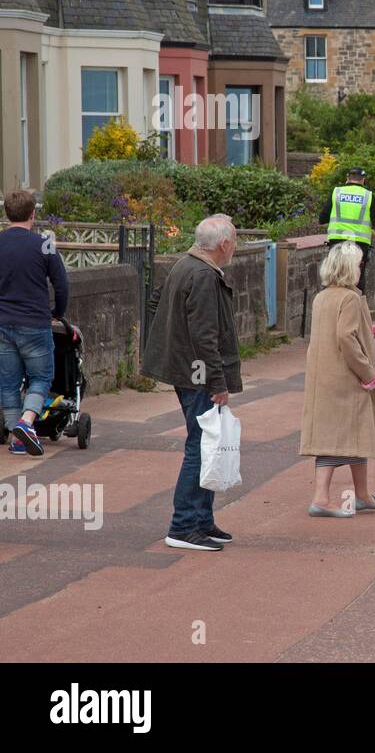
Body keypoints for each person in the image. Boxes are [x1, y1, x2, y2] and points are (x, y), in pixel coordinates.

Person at [142, 215, 241, 551]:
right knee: (200, 445)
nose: (236, 246)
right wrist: (218, 382)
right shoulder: (201, 274)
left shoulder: (185, 265)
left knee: (206, 442)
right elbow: (204, 334)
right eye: (235, 240)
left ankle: (200, 520)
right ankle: (183, 525)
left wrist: (171, 343)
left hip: (187, 367)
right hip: (197, 372)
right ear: (224, 244)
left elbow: (156, 303)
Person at [299, 242, 375, 517]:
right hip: (346, 376)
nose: (362, 269)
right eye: (359, 264)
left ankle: (358, 494)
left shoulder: (322, 297)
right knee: (346, 432)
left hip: (323, 376)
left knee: (345, 432)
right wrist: (368, 374)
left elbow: (333, 331)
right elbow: (345, 338)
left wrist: (367, 329)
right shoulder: (350, 298)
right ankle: (323, 498)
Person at [1, 190, 70, 457]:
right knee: (41, 377)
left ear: (7, 213)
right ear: (33, 214)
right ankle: (26, 422)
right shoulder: (44, 243)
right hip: (34, 322)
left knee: (7, 381)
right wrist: (58, 312)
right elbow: (61, 285)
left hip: (2, 322)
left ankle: (15, 438)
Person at [319, 167, 375, 294]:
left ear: (347, 178)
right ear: (363, 180)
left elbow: (322, 218)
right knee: (357, 279)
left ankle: (332, 305)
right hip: (359, 244)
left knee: (334, 275)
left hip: (337, 241)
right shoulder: (368, 196)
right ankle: (355, 306)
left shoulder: (336, 192)